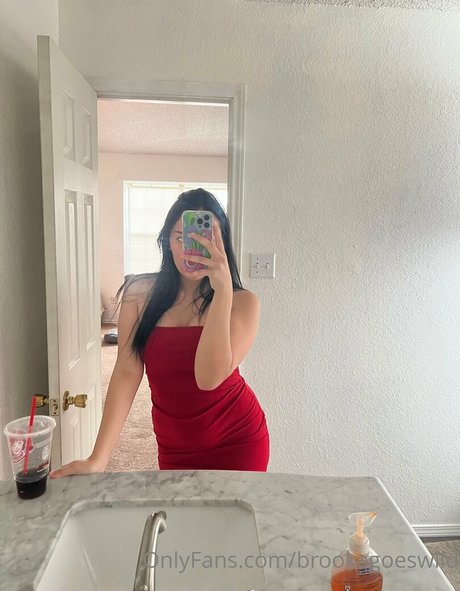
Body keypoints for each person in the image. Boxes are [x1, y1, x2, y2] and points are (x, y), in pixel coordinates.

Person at [49, 188, 270, 477]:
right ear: (167, 241)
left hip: (237, 441)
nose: (191, 248)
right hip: (174, 446)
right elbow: (126, 371)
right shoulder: (138, 293)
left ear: (222, 243)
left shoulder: (243, 303)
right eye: (181, 237)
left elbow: (209, 378)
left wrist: (223, 291)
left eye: (206, 238)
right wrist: (98, 459)